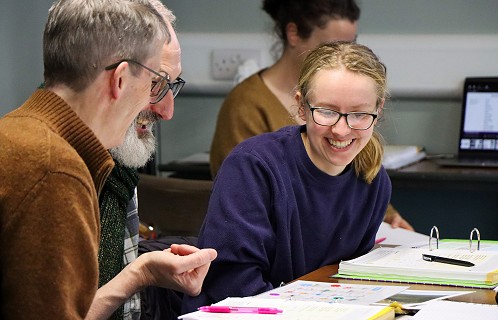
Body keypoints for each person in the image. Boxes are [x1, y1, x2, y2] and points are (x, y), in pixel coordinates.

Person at [0, 1, 215, 319]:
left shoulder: (18, 134)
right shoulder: (54, 168)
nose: (166, 110)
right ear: (121, 79)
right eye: (155, 83)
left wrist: (140, 273)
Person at [182, 40, 392, 311]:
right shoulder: (253, 167)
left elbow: (349, 283)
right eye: (327, 112)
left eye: (359, 114)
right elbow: (233, 283)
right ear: (301, 107)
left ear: (378, 111)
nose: (342, 130)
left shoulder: (373, 182)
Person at [209, 0, 413, 230]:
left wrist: (387, 216)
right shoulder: (246, 109)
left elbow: (357, 179)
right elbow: (243, 198)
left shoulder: (367, 158)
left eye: (351, 44)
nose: (344, 55)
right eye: (332, 45)